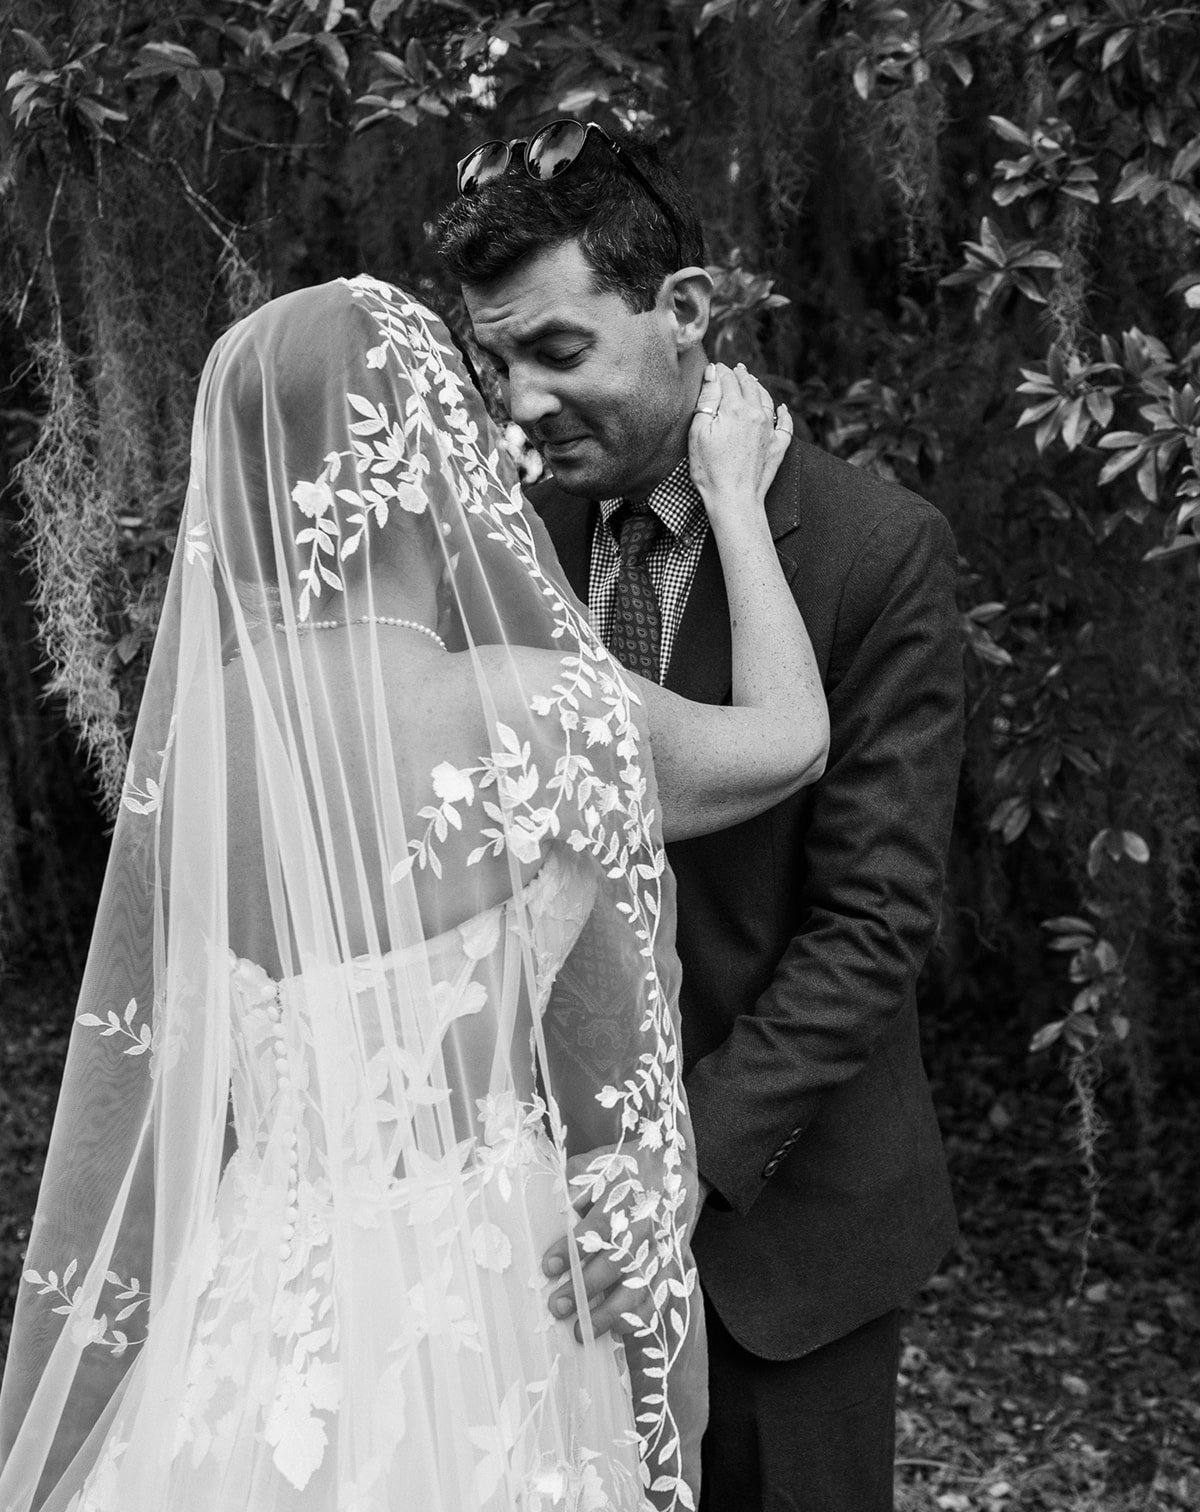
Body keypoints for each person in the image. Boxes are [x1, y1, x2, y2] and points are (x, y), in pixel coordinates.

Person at [0, 275, 827, 1511]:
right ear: (439, 462)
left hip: (256, 1299)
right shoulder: (540, 712)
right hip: (489, 1293)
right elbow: (777, 752)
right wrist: (734, 502)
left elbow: (184, 1069)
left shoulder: (208, 739)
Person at [436, 119, 963, 1512]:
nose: (525, 404)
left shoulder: (871, 550)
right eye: (499, 366)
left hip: (784, 1241)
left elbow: (874, 921)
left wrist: (684, 1164)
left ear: (683, 314)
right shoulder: (512, 551)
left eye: (557, 350)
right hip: (539, 1245)